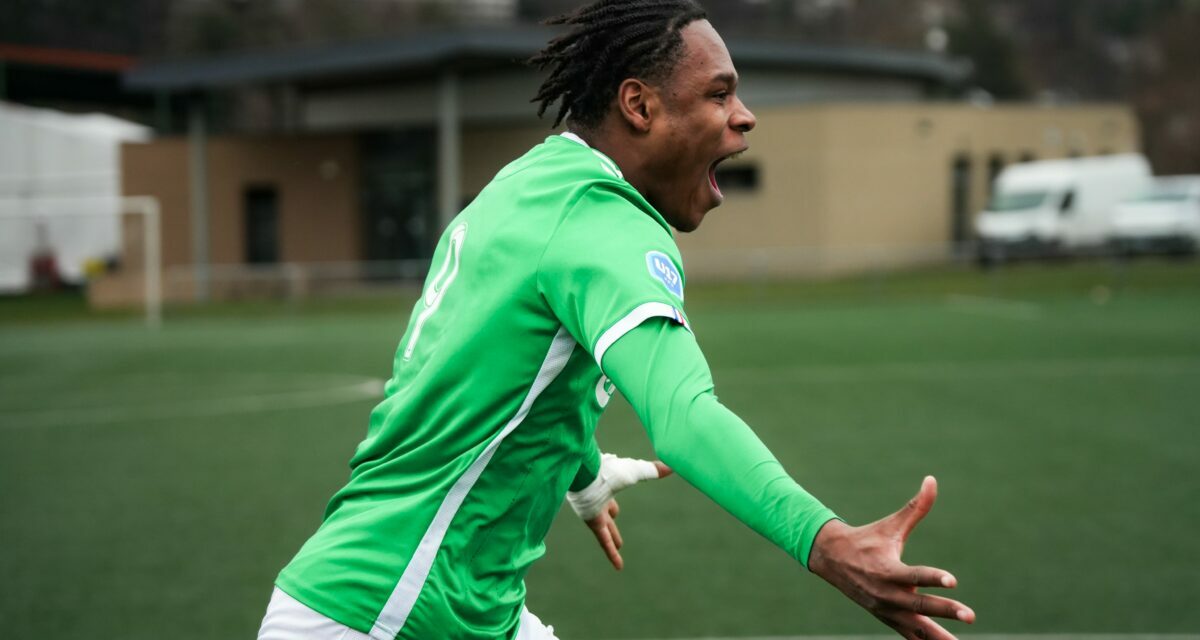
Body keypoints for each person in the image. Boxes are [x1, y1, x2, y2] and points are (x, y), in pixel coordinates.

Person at [258, 1, 976, 639]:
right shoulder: (607, 223)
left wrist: (580, 467)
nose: (744, 114)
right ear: (640, 105)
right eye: (719, 93)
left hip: (441, 605)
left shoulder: (524, 189)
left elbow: (492, 371)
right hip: (382, 611)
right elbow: (685, 416)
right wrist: (826, 542)